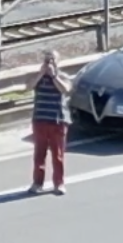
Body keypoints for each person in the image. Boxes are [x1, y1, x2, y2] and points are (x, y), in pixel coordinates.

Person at [28, 50, 72, 195]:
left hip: (57, 120)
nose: (49, 63)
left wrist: (54, 76)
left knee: (57, 155)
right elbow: (28, 87)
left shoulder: (63, 76)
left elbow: (65, 89)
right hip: (40, 119)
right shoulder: (38, 76)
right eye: (46, 60)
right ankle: (37, 183)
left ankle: (59, 183)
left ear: (58, 61)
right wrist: (41, 74)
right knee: (39, 154)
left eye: (52, 60)